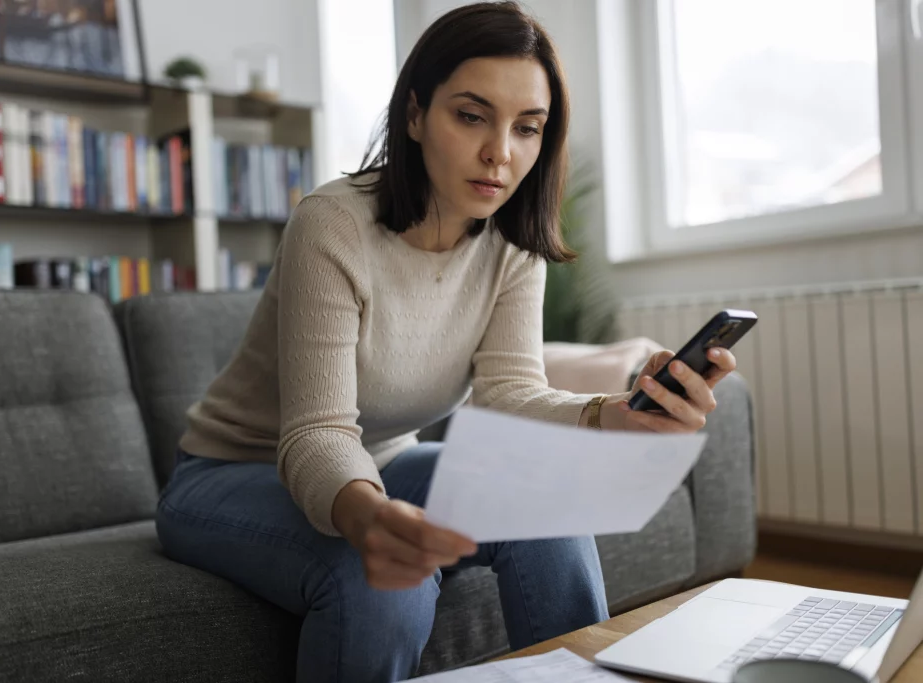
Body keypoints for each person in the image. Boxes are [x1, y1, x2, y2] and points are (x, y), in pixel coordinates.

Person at [156, 2, 738, 681]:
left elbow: (508, 392)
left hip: (385, 460)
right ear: (414, 115)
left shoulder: (513, 245)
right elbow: (316, 430)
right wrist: (369, 515)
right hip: (227, 474)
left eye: (528, 127)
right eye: (471, 116)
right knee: (381, 576)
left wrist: (614, 412)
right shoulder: (332, 224)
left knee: (540, 495)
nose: (502, 151)